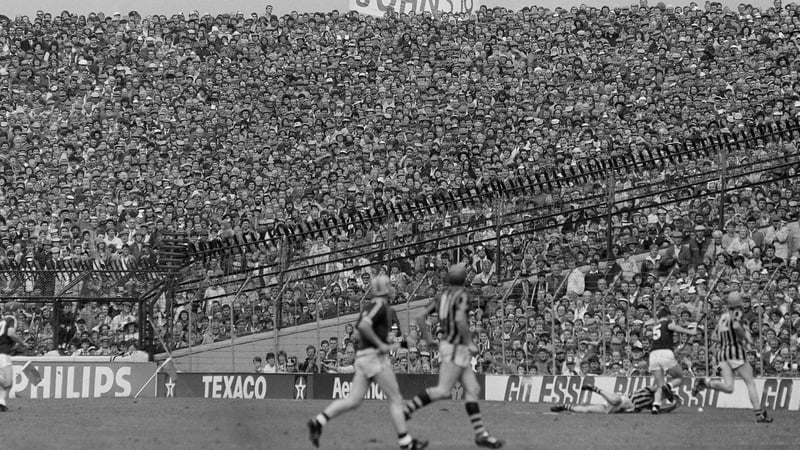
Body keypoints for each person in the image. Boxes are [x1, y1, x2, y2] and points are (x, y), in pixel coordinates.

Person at [307, 275, 426, 450]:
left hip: (364, 357)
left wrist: (400, 343)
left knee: (353, 400)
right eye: (390, 286)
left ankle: (318, 422)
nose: (393, 289)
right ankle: (405, 442)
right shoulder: (379, 306)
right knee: (396, 398)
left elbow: (358, 334)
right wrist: (379, 344)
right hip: (373, 359)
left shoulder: (371, 307)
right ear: (385, 289)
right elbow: (363, 327)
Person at [403, 264, 504, 449]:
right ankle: (407, 410)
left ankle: (481, 434)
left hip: (450, 345)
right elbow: (459, 320)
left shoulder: (442, 297)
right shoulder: (464, 296)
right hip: (456, 347)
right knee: (442, 390)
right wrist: (469, 342)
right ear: (465, 279)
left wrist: (428, 338)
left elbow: (419, 316)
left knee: (473, 388)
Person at [692, 292, 773, 423]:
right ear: (739, 304)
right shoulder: (737, 314)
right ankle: (759, 414)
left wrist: (727, 340)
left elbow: (714, 336)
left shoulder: (723, 317)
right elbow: (735, 326)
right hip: (735, 352)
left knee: (729, 387)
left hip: (723, 354)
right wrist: (745, 337)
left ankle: (705, 383)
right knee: (750, 382)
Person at [649, 307, 698, 414]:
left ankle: (656, 405)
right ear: (667, 316)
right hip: (665, 353)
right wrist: (690, 331)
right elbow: (673, 327)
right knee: (679, 377)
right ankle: (669, 386)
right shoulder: (667, 323)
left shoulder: (655, 326)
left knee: (659, 384)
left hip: (653, 355)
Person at [550, 384, 679, 414]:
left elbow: (658, 411)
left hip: (620, 409)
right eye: (666, 395)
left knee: (586, 410)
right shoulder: (651, 390)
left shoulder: (652, 404)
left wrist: (673, 406)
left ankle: (564, 406)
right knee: (617, 400)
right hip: (625, 400)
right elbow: (658, 388)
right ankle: (595, 389)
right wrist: (668, 393)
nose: (664, 397)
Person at [1, 302, 28, 412]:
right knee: (7, 382)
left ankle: (1, 403)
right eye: (18, 310)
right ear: (14, 310)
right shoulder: (11, 319)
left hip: (2, 352)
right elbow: (11, 333)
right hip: (3, 353)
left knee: (6, 382)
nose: (19, 312)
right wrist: (22, 342)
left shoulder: (2, 320)